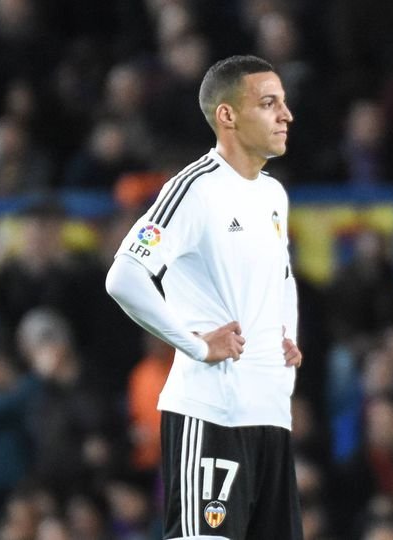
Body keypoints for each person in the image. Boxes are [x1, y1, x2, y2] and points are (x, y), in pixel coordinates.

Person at [105, 55, 303, 539]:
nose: (286, 115)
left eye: (283, 103)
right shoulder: (193, 189)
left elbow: (283, 278)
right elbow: (124, 275)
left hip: (270, 416)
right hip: (212, 412)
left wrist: (286, 337)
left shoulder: (273, 195)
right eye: (268, 103)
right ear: (228, 116)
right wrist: (195, 345)